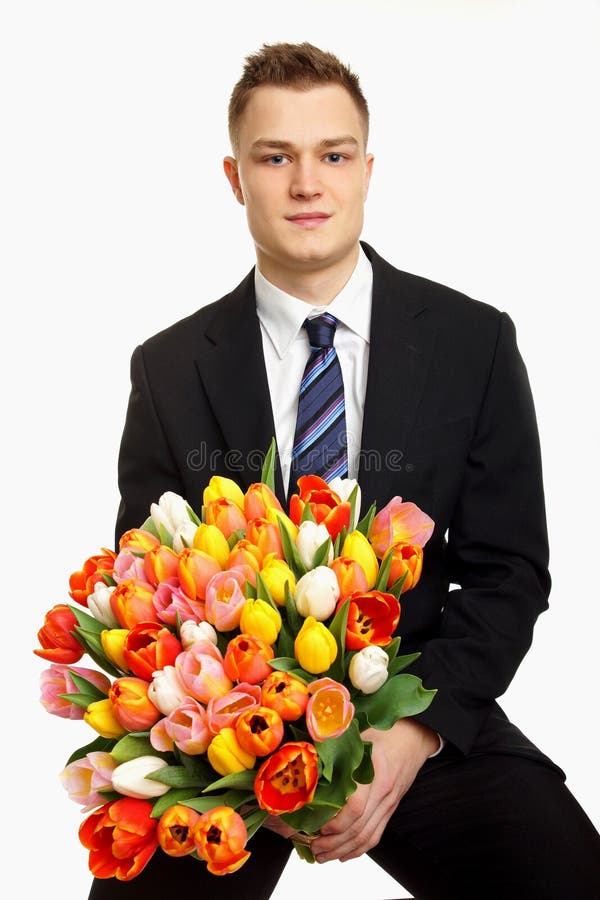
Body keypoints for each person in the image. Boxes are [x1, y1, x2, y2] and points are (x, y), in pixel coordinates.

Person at [93, 42, 600, 900]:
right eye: (275, 157)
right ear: (234, 176)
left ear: (367, 169)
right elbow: (148, 577)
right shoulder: (170, 367)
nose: (306, 184)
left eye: (331, 155)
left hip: (414, 708)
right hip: (223, 729)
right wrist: (249, 752)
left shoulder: (472, 342)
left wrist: (413, 737)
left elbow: (510, 572)